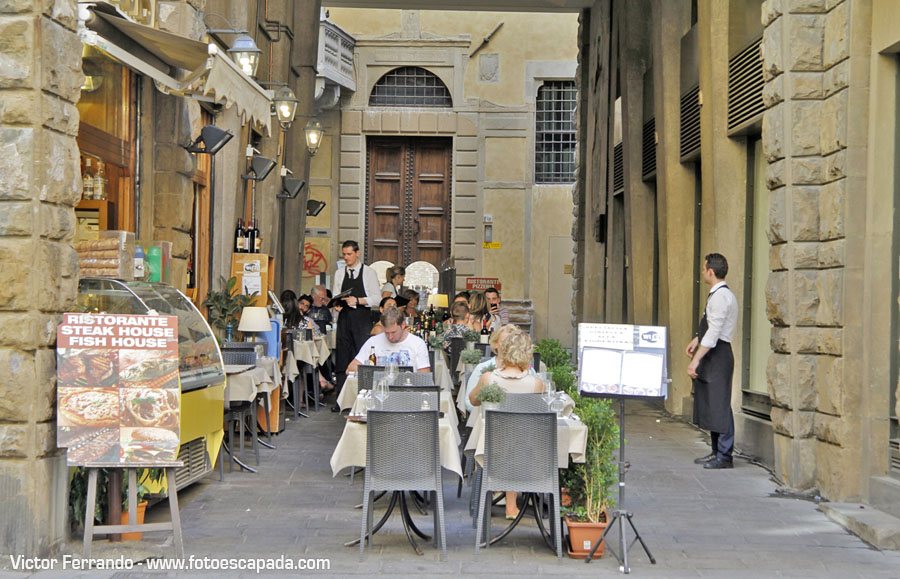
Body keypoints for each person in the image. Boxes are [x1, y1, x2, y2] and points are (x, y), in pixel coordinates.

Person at [469, 328, 544, 519]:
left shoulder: (488, 378)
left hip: (492, 450)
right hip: (527, 453)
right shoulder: (536, 384)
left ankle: (500, 497)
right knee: (517, 440)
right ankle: (512, 505)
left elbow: (473, 401)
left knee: (506, 441)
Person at [685, 253, 739, 470]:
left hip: (718, 354)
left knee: (720, 403)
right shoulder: (720, 295)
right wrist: (696, 339)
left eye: (704, 268)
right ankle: (717, 451)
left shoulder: (720, 297)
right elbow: (713, 327)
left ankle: (724, 455)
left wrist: (695, 360)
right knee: (714, 402)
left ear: (711, 271)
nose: (702, 271)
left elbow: (715, 331)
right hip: (717, 351)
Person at [333, 240, 382, 411]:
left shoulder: (369, 273)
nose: (346, 258)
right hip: (344, 317)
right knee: (342, 356)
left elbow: (377, 298)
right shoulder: (339, 274)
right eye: (344, 254)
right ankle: (341, 401)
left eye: (349, 254)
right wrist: (336, 304)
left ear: (357, 253)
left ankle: (363, 399)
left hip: (362, 318)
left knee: (361, 356)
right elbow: (335, 293)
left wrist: (359, 300)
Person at [464, 324, 529, 412]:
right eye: (504, 342)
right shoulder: (482, 369)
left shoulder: (528, 373)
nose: (508, 346)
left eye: (511, 343)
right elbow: (469, 402)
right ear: (495, 344)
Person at [347, 307, 431, 373]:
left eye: (394, 332)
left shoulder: (417, 344)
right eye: (387, 332)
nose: (390, 337)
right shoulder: (373, 342)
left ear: (403, 325)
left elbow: (424, 376)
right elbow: (350, 368)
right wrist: (372, 371)